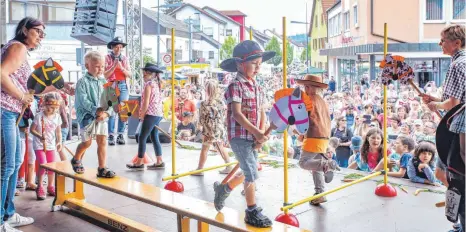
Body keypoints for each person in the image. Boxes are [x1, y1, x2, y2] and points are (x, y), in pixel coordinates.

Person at [213, 40, 274, 227]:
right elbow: (237, 115)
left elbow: (262, 110)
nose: (257, 68)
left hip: (253, 135)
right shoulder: (235, 86)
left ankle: (224, 188)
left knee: (251, 169)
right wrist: (256, 132)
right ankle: (251, 210)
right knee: (252, 173)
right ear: (240, 64)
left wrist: (261, 134)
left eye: (259, 65)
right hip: (239, 137)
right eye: (254, 64)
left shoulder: (256, 86)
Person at [1, 17, 46, 231]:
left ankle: (8, 213)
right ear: (25, 29)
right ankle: (1, 219)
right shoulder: (17, 47)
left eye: (42, 33)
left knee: (15, 163)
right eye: (38, 31)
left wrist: (59, 89)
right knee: (6, 166)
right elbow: (1, 74)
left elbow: (25, 85)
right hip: (5, 111)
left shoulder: (21, 51)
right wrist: (20, 97)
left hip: (13, 113)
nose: (40, 36)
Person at [71, 51, 116, 178]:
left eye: (102, 66)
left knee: (102, 141)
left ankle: (102, 168)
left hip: (101, 117)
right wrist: (95, 110)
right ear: (87, 66)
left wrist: (106, 113)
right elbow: (83, 100)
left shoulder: (104, 82)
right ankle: (76, 158)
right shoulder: (82, 82)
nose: (100, 69)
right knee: (87, 142)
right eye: (97, 66)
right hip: (87, 116)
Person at [297, 74, 339, 205]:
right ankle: (320, 193)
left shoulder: (308, 101)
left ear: (308, 87)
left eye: (305, 87)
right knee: (315, 164)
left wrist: (299, 132)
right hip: (324, 136)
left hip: (313, 135)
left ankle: (326, 165)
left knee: (303, 162)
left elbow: (303, 121)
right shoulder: (323, 101)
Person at [126, 63, 165, 170]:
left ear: (151, 75)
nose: (143, 76)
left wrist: (141, 116)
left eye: (145, 74)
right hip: (158, 114)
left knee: (141, 137)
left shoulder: (148, 85)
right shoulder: (157, 84)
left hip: (151, 114)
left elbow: (146, 103)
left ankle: (139, 162)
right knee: (154, 136)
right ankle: (159, 160)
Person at [192, 80, 232, 175]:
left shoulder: (204, 104)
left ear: (206, 90)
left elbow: (201, 119)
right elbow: (224, 115)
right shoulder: (221, 102)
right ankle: (200, 168)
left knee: (214, 147)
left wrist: (199, 129)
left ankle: (228, 166)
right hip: (219, 127)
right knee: (214, 147)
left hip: (209, 130)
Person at [30, 94, 62, 200]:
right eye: (51, 108)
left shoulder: (57, 116)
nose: (53, 110)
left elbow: (58, 131)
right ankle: (40, 186)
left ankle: (50, 186)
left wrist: (59, 142)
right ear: (45, 104)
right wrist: (40, 136)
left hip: (51, 145)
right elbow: (32, 130)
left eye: (55, 108)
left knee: (52, 167)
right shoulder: (39, 116)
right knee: (43, 165)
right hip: (39, 145)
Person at [104, 37, 131, 146]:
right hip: (111, 85)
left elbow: (130, 74)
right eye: (116, 47)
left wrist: (122, 68)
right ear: (112, 47)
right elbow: (105, 75)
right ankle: (111, 135)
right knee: (112, 111)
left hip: (123, 85)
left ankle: (120, 134)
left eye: (120, 47)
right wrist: (114, 66)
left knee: (123, 110)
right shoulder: (106, 58)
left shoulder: (125, 58)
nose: (118, 49)